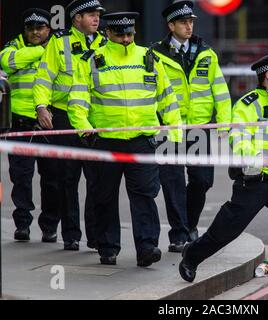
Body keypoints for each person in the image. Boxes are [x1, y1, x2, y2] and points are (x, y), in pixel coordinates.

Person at [178, 51, 268, 300]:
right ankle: (192, 255)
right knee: (226, 231)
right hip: (253, 182)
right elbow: (239, 138)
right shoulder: (248, 103)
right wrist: (258, 162)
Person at [67, 12, 182, 267]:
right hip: (106, 141)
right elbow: (77, 100)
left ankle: (147, 247)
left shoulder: (148, 57)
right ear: (107, 33)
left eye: (129, 34)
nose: (126, 39)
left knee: (144, 195)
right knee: (104, 196)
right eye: (120, 34)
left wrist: (175, 130)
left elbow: (167, 97)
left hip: (142, 140)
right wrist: (84, 129)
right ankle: (108, 248)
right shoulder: (92, 60)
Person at [152, 0, 232, 252]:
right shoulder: (155, 54)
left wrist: (224, 122)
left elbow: (220, 89)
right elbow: (150, 92)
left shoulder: (205, 52)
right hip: (169, 128)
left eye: (191, 22)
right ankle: (178, 234)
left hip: (199, 128)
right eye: (184, 22)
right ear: (171, 25)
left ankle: (189, 224)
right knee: (172, 181)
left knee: (201, 181)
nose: (189, 26)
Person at [33, 0, 106, 251]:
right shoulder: (59, 41)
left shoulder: (105, 42)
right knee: (67, 179)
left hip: (94, 118)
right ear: (77, 19)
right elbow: (44, 77)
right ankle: (71, 235)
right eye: (91, 15)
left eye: (98, 15)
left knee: (96, 180)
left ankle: (95, 236)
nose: (96, 19)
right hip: (64, 116)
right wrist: (42, 106)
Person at [0, 8, 60, 242]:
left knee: (52, 178)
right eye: (30, 28)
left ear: (49, 29)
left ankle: (49, 226)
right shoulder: (14, 44)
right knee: (21, 177)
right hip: (20, 122)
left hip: (49, 122)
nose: (35, 32)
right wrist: (39, 51)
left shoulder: (56, 47)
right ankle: (22, 224)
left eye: (40, 28)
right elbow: (7, 62)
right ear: (24, 29)